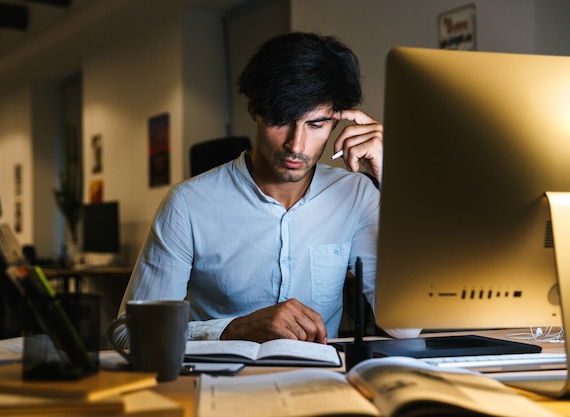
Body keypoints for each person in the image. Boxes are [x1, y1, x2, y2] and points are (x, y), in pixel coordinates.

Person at [117, 32, 418, 345]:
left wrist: (393, 182)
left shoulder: (356, 196)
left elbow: (406, 327)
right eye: (281, 119)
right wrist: (235, 329)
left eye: (315, 124)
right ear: (254, 110)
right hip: (219, 385)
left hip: (320, 383)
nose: (296, 145)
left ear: (338, 122)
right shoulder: (187, 204)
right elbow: (128, 334)